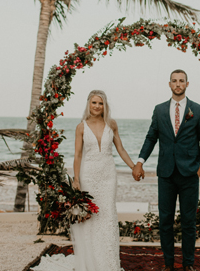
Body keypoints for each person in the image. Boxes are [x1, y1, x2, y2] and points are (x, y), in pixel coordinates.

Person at [133, 70, 200, 271]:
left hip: (190, 174)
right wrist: (140, 161)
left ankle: (188, 264)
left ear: (187, 84)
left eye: (181, 81)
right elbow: (151, 137)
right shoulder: (159, 110)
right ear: (169, 84)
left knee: (188, 221)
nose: (178, 84)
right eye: (174, 81)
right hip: (166, 174)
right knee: (165, 220)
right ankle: (168, 264)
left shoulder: (198, 110)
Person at [71, 90, 134, 270]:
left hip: (108, 176)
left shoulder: (111, 124)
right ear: (88, 104)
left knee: (107, 216)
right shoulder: (81, 127)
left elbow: (120, 149)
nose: (97, 106)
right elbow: (77, 155)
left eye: (100, 103)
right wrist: (76, 179)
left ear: (105, 105)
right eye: (94, 103)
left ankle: (109, 262)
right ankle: (90, 262)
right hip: (88, 175)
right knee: (90, 217)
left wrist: (133, 167)